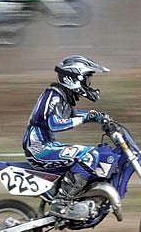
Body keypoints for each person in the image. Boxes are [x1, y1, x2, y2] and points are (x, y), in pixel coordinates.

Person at [23, 55, 110, 218]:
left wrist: (98, 116)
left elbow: (73, 115)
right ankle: (62, 202)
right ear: (74, 78)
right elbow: (54, 123)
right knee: (89, 156)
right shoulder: (53, 95)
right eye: (86, 79)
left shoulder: (62, 97)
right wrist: (86, 118)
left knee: (92, 152)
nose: (88, 84)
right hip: (39, 149)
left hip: (47, 146)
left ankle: (79, 197)